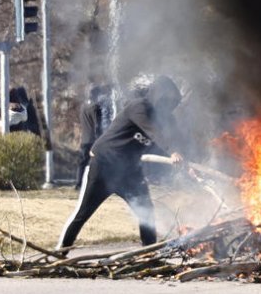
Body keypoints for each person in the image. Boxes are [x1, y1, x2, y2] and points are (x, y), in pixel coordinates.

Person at [57, 75, 184, 251]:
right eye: (166, 101)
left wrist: (185, 162)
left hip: (129, 172)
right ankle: (62, 250)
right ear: (158, 96)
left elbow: (173, 139)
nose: (168, 107)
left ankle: (149, 253)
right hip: (104, 166)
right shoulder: (139, 107)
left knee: (145, 210)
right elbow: (154, 133)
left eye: (172, 103)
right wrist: (172, 151)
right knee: (83, 213)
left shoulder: (164, 120)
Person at [75, 85, 114, 191]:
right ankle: (99, 183)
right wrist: (100, 137)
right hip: (93, 140)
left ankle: (78, 184)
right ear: (96, 95)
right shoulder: (95, 107)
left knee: (82, 163)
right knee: (98, 162)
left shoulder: (83, 106)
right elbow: (97, 125)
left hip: (84, 139)